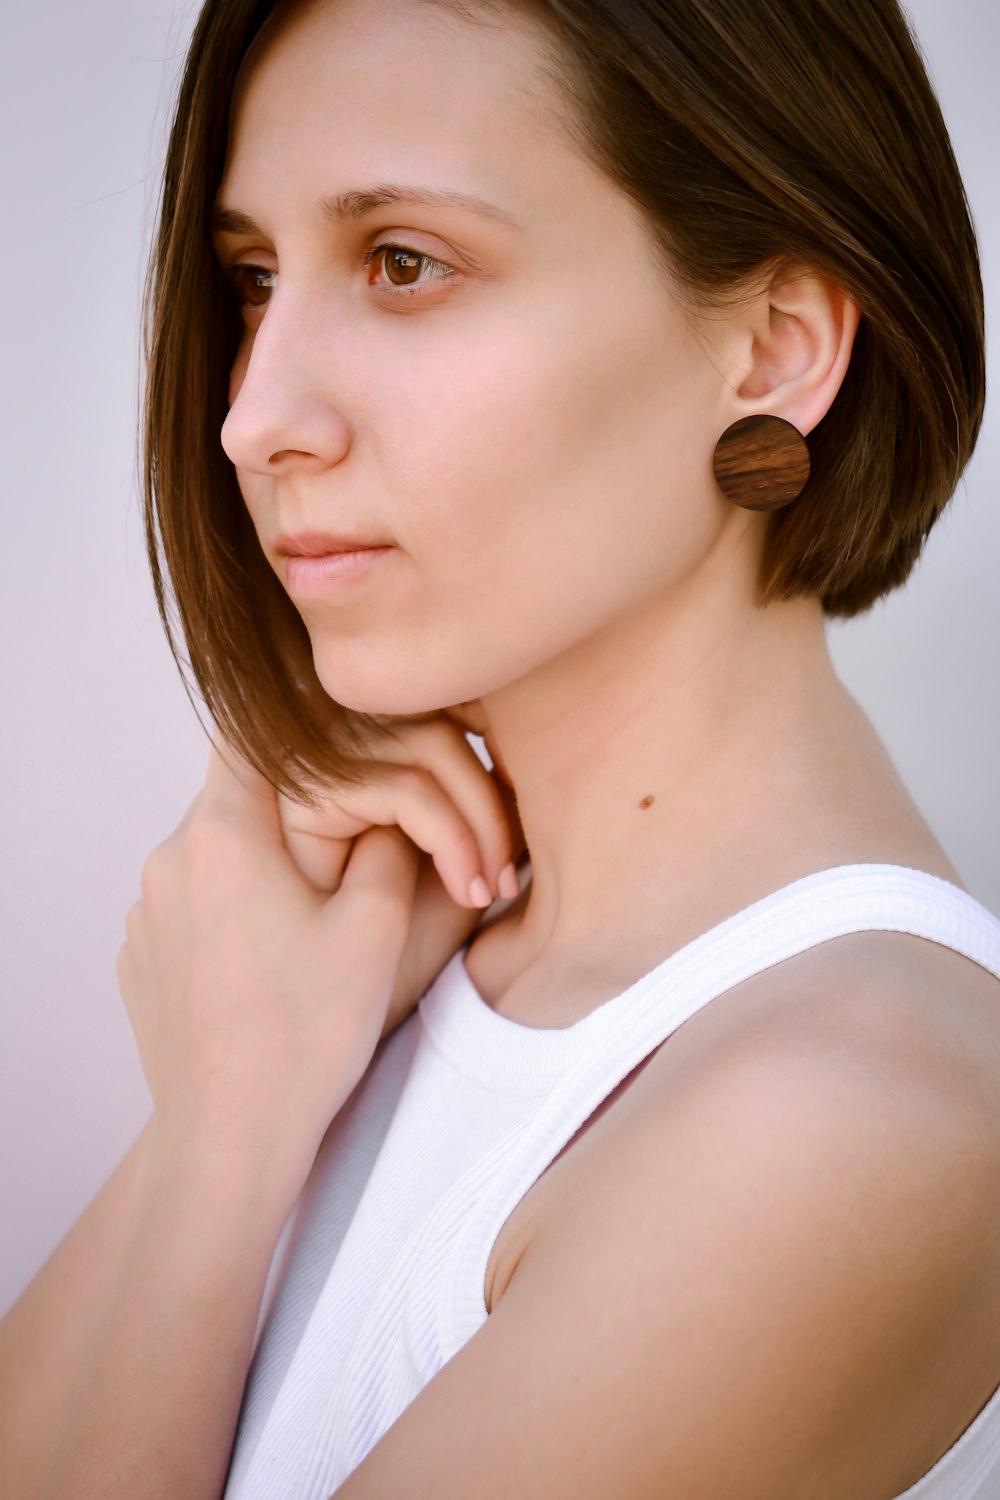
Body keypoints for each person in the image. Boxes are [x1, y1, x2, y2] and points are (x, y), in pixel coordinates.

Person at [2, 0, 998, 1495]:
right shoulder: (352, 959)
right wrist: (240, 1099)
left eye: (404, 263)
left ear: (776, 346)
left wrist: (217, 1161)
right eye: (254, 279)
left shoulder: (852, 1114)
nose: (253, 418)